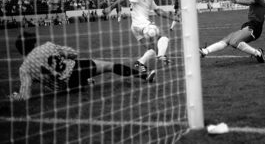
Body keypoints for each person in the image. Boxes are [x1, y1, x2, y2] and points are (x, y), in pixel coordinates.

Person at [9, 31, 156, 101]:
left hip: (64, 88)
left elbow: (25, 95)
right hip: (76, 70)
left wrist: (15, 96)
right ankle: (144, 76)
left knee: (60, 82)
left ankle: (85, 83)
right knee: (109, 66)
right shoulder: (47, 46)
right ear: (33, 42)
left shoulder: (24, 68)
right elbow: (74, 53)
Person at [102, 0, 179, 72]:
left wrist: (173, 18)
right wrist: (110, 8)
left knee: (152, 49)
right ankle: (161, 58)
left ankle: (140, 63)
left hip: (135, 28)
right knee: (163, 36)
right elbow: (122, 0)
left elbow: (158, 11)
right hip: (142, 24)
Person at [199, 0, 265, 63]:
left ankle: (258, 54)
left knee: (233, 41)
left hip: (255, 27)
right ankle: (205, 51)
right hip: (250, 25)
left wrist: (236, 1)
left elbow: (249, 2)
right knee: (228, 39)